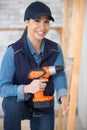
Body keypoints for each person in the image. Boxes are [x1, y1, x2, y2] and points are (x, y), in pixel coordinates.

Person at [0, 1, 68, 130]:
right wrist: (26, 88)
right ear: (27, 22)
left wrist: (63, 97)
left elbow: (59, 76)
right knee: (11, 105)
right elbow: (2, 87)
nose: (42, 27)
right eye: (37, 21)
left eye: (46, 22)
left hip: (44, 105)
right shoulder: (13, 52)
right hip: (19, 104)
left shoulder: (55, 49)